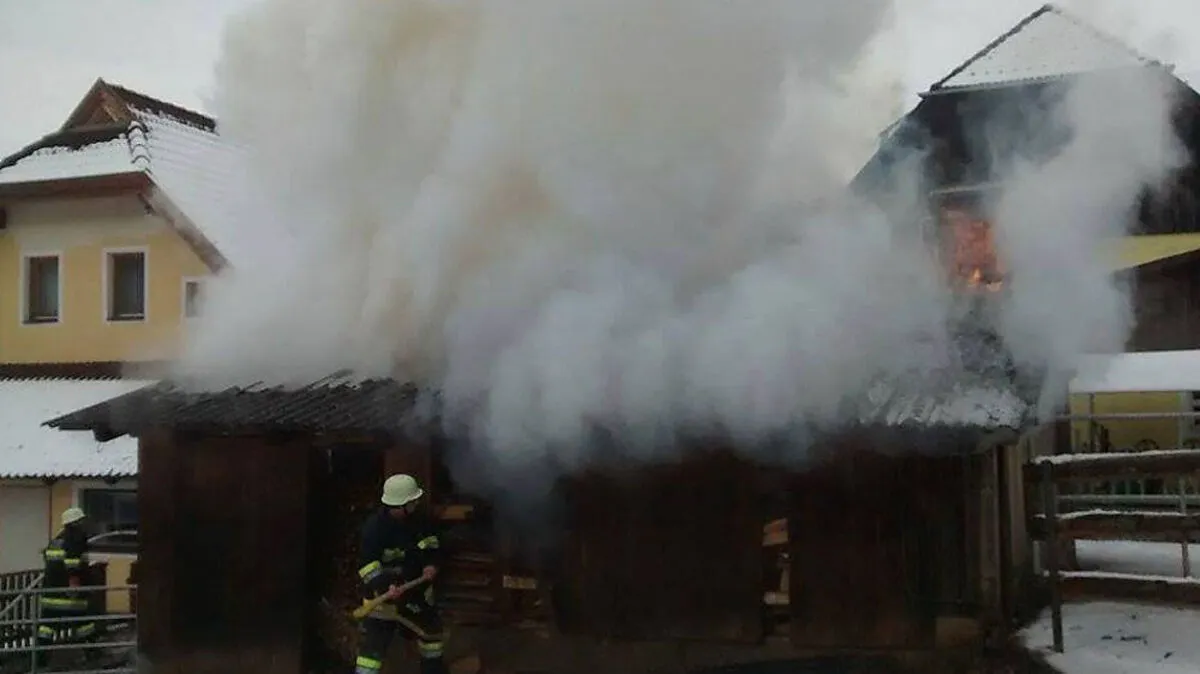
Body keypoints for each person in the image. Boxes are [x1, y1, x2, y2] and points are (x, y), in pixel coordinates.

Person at [354, 474, 446, 674]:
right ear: (400, 505)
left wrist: (431, 564)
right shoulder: (374, 528)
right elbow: (367, 566)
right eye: (412, 501)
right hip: (382, 598)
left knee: (432, 636)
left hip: (416, 593)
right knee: (372, 650)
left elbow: (433, 545)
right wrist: (384, 586)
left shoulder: (421, 522)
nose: (416, 504)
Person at [37, 507, 96, 667]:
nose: (84, 524)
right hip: (68, 594)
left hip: (51, 593)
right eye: (81, 521)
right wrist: (74, 583)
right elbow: (72, 561)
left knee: (47, 626)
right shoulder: (76, 537)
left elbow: (51, 562)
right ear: (76, 522)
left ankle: (40, 658)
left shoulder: (56, 540)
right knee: (84, 623)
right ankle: (92, 652)